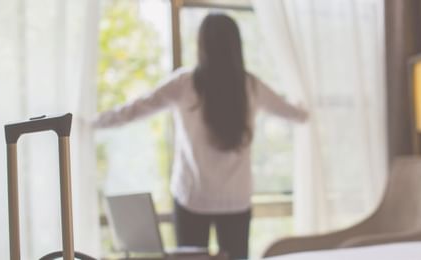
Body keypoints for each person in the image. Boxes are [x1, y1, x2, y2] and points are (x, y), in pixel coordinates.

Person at [93, 13, 307, 259]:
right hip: (235, 200)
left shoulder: (185, 84)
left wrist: (90, 122)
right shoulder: (250, 85)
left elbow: (134, 110)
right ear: (236, 45)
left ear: (202, 45)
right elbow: (295, 114)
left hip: (192, 197)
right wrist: (308, 107)